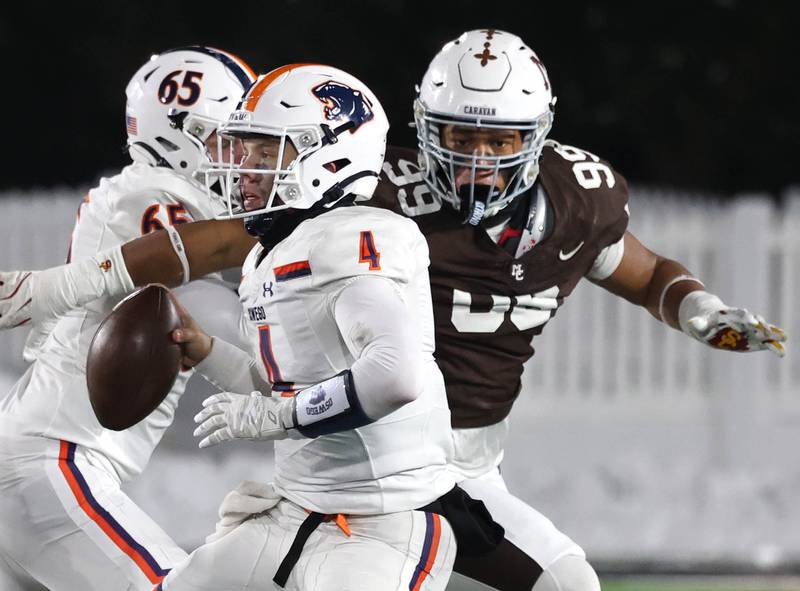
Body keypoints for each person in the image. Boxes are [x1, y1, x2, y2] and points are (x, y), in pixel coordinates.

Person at [0, 32, 786, 591]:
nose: (476, 159)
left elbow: (637, 272)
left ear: (537, 139)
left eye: (498, 140)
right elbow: (210, 253)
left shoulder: (559, 204)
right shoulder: (345, 208)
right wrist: (60, 290)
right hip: (339, 476)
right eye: (458, 135)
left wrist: (697, 310)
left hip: (443, 473)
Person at [155, 63, 459, 591]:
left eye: (268, 152)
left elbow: (394, 376)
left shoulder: (353, 236)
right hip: (295, 509)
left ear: (331, 156)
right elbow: (284, 384)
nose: (247, 168)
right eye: (247, 150)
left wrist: (279, 417)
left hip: (381, 524)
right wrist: (207, 353)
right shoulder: (271, 255)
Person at [0, 46, 256, 590]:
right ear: (177, 135)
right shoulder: (150, 197)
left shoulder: (143, 199)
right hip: (53, 464)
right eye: (228, 138)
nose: (243, 157)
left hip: (44, 464)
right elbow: (236, 320)